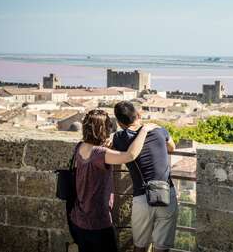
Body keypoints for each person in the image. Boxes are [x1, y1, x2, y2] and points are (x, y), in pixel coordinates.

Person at [69, 109, 158, 252]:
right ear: (103, 129)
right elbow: (130, 155)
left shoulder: (79, 147)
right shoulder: (100, 154)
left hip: (78, 219)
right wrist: (144, 130)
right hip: (97, 222)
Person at [112, 101, 178, 252]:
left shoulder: (119, 139)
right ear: (139, 115)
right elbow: (172, 147)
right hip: (167, 193)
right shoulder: (159, 130)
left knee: (140, 247)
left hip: (142, 197)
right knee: (162, 248)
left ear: (120, 123)